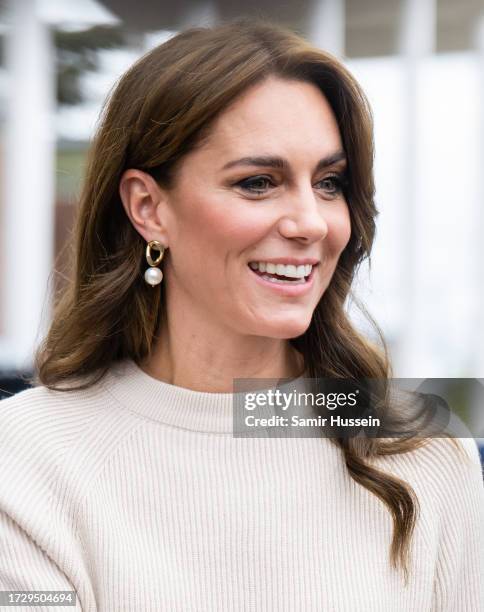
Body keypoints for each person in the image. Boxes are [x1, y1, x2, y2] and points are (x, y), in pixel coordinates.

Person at [0, 18, 483, 612]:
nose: (311, 222)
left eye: (330, 183)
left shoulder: (423, 453)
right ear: (148, 208)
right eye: (258, 182)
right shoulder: (24, 458)